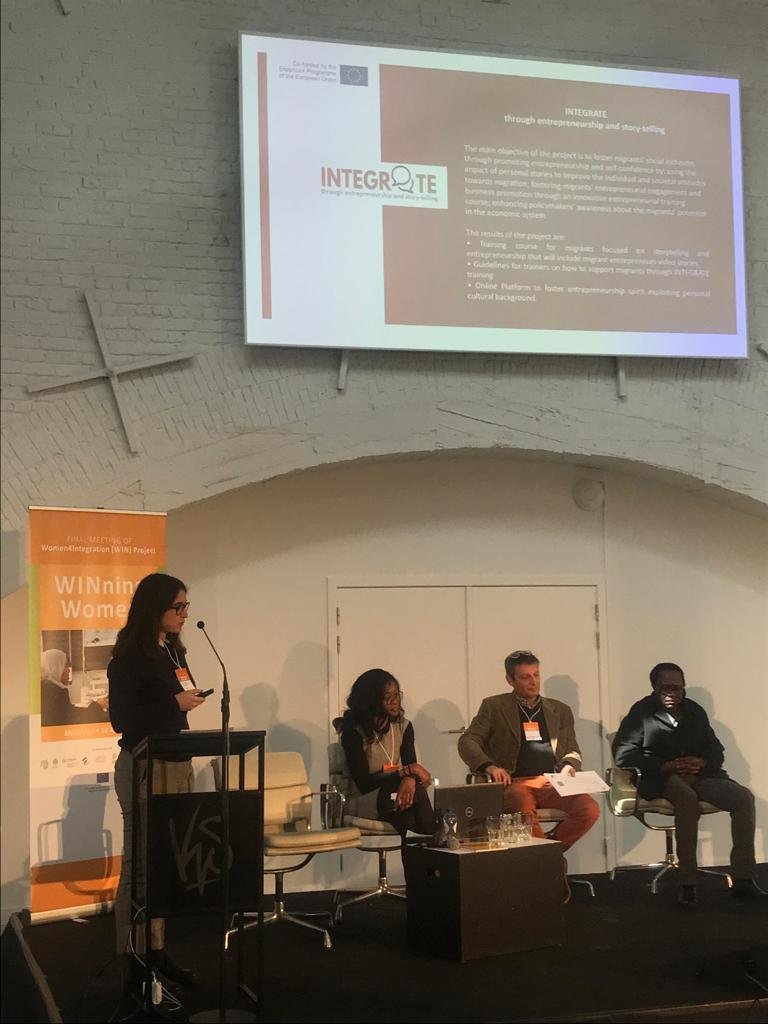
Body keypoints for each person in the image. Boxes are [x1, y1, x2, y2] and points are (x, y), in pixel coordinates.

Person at [108, 572, 208, 989]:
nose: (184, 614)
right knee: (141, 866)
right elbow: (121, 720)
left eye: (186, 607)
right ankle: (134, 959)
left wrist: (186, 700)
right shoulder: (129, 657)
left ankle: (158, 951)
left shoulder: (173, 651)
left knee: (165, 864)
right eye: (178, 607)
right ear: (155, 608)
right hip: (144, 765)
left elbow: (176, 701)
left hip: (177, 761)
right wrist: (173, 702)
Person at [612, 662, 764, 908]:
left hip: (700, 776)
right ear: (654, 687)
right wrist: (666, 766)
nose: (672, 693)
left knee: (743, 797)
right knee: (686, 798)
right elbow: (623, 754)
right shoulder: (641, 712)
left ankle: (743, 878)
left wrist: (701, 762)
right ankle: (687, 882)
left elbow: (715, 749)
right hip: (660, 778)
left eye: (677, 688)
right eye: (666, 688)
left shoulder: (694, 711)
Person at [458, 650, 600, 891]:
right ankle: (548, 871)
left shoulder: (559, 710)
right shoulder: (494, 706)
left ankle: (548, 856)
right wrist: (489, 766)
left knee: (589, 809)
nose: (533, 682)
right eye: (525, 677)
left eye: (536, 675)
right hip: (515, 782)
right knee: (523, 807)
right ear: (510, 680)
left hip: (551, 781)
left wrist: (568, 765)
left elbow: (572, 749)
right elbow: (468, 741)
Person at [334, 669, 435, 838]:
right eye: (387, 696)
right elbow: (364, 784)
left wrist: (409, 777)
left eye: (396, 695)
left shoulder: (403, 727)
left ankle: (427, 842)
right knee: (411, 801)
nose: (394, 701)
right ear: (370, 700)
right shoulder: (353, 733)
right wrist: (405, 773)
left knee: (409, 817)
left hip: (394, 796)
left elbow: (410, 765)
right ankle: (434, 839)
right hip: (362, 799)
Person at [40, 648, 108, 727]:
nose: (69, 670)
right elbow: (73, 718)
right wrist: (98, 705)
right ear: (55, 667)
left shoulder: (46, 688)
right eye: (65, 665)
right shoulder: (54, 692)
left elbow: (68, 712)